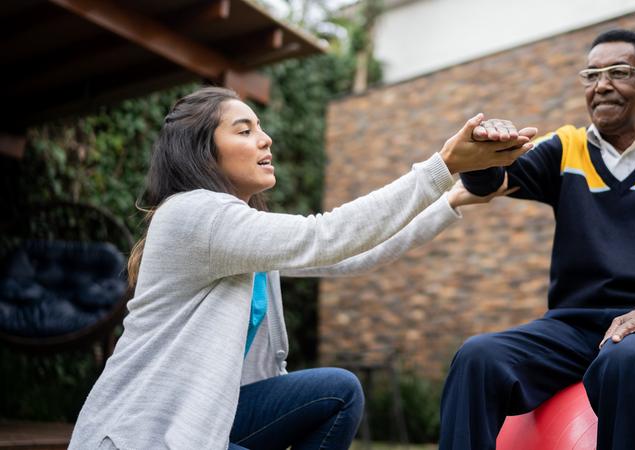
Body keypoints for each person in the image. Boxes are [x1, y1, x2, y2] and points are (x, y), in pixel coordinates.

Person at [67, 86, 536, 450]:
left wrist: (450, 199)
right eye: (244, 129)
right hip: (145, 430)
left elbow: (350, 254)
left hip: (206, 419)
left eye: (260, 128)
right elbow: (323, 235)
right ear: (202, 151)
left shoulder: (243, 233)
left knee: (337, 391)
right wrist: (442, 165)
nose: (265, 138)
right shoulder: (192, 214)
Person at [441, 29, 635, 450]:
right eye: (591, 75)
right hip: (574, 328)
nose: (601, 84)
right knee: (478, 357)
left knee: (626, 359)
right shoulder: (566, 149)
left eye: (619, 72)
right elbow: (491, 182)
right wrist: (482, 156)